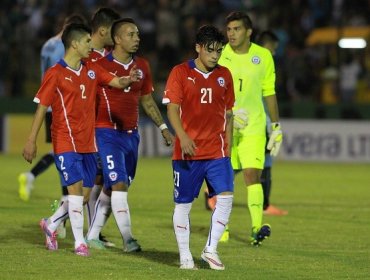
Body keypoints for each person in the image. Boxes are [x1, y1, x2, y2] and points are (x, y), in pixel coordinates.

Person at [22, 23, 140, 256]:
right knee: (75, 192)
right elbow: (42, 108)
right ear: (75, 44)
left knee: (84, 196)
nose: (91, 46)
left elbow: (116, 82)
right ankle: (79, 243)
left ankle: (51, 223)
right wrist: (31, 140)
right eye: (87, 41)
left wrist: (129, 78)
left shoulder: (92, 70)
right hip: (65, 141)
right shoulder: (55, 73)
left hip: (88, 142)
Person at [86, 18, 173, 252]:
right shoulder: (100, 66)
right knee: (119, 185)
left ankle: (92, 235)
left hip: (131, 136)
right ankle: (128, 239)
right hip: (106, 134)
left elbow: (147, 101)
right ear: (117, 39)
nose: (137, 38)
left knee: (112, 187)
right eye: (131, 34)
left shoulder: (143, 65)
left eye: (137, 34)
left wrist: (163, 128)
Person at [163, 25, 234, 270]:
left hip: (217, 151)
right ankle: (185, 255)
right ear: (198, 48)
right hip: (188, 153)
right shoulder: (180, 73)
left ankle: (210, 249)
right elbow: (172, 108)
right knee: (184, 204)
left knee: (226, 198)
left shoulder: (225, 75)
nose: (215, 56)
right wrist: (181, 136)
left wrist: (230, 145)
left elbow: (229, 113)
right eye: (211, 50)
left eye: (219, 51)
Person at [218, 11, 283, 246]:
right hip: (224, 126)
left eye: (236, 29)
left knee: (252, 175)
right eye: (229, 30)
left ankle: (256, 229)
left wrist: (275, 126)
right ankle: (221, 228)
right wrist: (228, 113)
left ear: (249, 32)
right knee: (223, 179)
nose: (231, 34)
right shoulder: (220, 54)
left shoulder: (263, 56)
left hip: (253, 126)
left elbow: (269, 92)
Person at [18, 14, 86, 202]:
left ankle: (32, 177)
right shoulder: (63, 48)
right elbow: (64, 75)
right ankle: (65, 201)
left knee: (60, 151)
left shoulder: (48, 44)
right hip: (61, 104)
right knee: (66, 152)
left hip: (49, 103)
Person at [83, 7, 121, 248]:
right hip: (90, 127)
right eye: (114, 31)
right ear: (104, 30)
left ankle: (92, 231)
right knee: (93, 182)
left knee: (98, 180)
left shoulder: (107, 56)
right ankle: (56, 221)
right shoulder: (84, 55)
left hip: (105, 127)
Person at [257, 30, 288, 216]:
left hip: (263, 120)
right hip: (258, 120)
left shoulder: (261, 63)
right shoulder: (258, 65)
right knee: (254, 162)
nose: (274, 53)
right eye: (273, 48)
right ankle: (212, 190)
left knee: (265, 160)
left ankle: (266, 205)